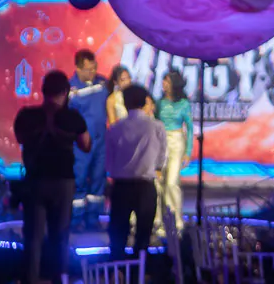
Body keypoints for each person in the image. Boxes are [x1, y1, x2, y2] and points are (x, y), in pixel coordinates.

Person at [16, 68, 92, 284]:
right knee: (60, 236)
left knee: (33, 238)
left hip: (35, 181)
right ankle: (60, 279)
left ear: (42, 90)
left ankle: (30, 279)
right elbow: (86, 145)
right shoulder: (72, 117)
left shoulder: (27, 115)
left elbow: (20, 138)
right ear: (66, 92)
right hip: (63, 182)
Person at [105, 84, 168, 260]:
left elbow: (108, 163)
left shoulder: (115, 128)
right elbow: (162, 157)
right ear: (145, 102)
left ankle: (117, 275)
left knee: (118, 237)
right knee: (143, 238)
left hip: (121, 187)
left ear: (125, 103)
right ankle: (138, 274)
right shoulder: (156, 126)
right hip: (145, 186)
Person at [68, 50, 108, 228]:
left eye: (94, 68)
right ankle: (76, 219)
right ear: (77, 68)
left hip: (101, 143)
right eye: (88, 69)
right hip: (81, 144)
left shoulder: (102, 84)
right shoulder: (71, 90)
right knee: (79, 179)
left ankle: (93, 218)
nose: (92, 72)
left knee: (98, 180)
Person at [155, 69, 194, 233]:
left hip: (177, 141)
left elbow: (190, 129)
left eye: (167, 81)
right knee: (158, 183)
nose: (164, 84)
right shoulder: (159, 103)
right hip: (160, 141)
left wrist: (188, 152)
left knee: (172, 182)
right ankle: (158, 220)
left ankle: (176, 221)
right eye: (163, 81)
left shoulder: (184, 104)